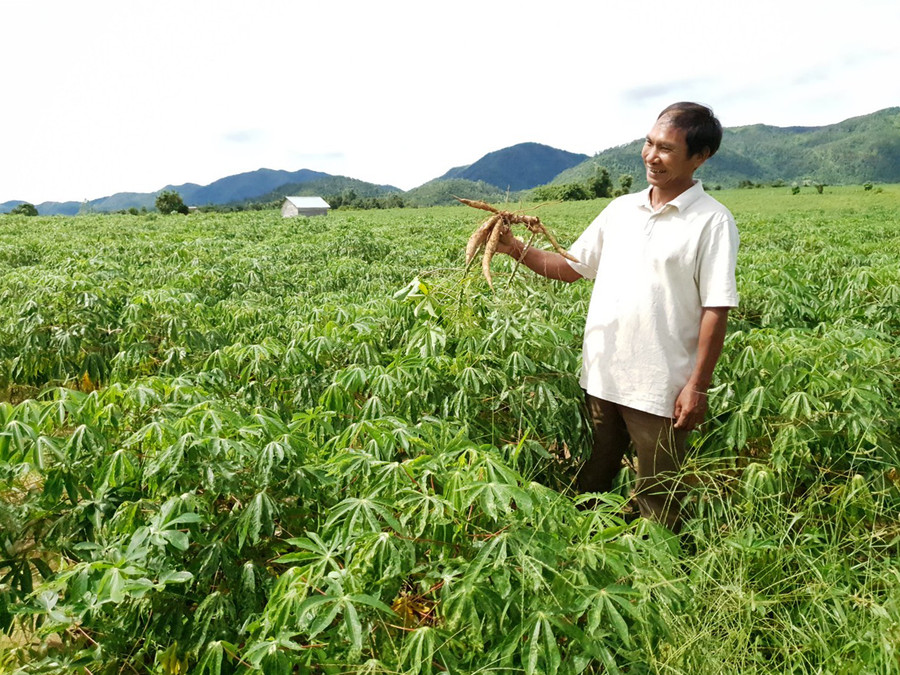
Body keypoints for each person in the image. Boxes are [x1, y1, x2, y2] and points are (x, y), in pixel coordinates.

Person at [496, 102, 739, 531]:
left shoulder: (712, 222)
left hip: (660, 385)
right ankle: (582, 552)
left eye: (666, 148)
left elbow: (716, 309)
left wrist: (696, 386)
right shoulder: (620, 210)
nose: (651, 156)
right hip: (604, 375)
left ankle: (659, 577)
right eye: (648, 143)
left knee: (658, 495)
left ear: (700, 157)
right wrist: (514, 247)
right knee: (596, 470)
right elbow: (571, 268)